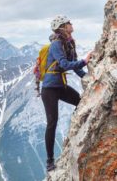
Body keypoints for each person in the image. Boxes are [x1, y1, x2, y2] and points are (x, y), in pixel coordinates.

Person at [41, 15, 92, 172]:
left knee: (81, 101)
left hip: (60, 86)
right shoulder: (56, 44)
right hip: (49, 90)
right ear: (62, 27)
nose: (71, 24)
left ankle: (77, 132)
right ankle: (49, 161)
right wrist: (84, 61)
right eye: (68, 23)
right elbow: (64, 64)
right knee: (52, 122)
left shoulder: (70, 43)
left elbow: (75, 67)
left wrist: (88, 77)